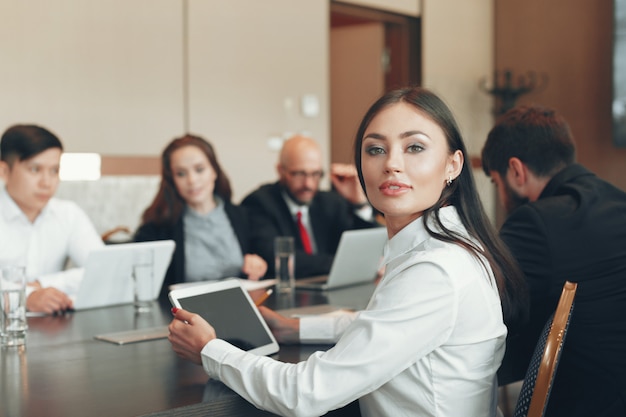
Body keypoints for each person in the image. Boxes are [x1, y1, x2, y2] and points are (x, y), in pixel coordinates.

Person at [167, 87, 527, 417]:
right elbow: (384, 325)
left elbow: (305, 393)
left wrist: (209, 351)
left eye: (414, 147)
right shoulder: (448, 243)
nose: (392, 163)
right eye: (375, 149)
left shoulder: (435, 270)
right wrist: (293, 328)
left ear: (453, 165)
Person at [482, 105, 626, 416]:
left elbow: (484, 309)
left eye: (496, 182)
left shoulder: (534, 223)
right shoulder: (619, 201)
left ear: (516, 171)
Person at [134, 134, 267, 299]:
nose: (192, 180)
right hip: (185, 317)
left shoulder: (245, 216)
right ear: (172, 180)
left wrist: (257, 265)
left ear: (214, 171)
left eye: (199, 169)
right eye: (181, 174)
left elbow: (269, 263)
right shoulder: (158, 229)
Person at [241, 134, 380, 279]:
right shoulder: (259, 203)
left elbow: (366, 250)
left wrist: (359, 204)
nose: (308, 184)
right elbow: (280, 259)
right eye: (299, 174)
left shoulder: (330, 202)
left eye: (315, 174)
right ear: (280, 170)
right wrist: (347, 264)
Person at [0, 124, 104, 314]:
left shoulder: (68, 214)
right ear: (4, 171)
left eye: (54, 171)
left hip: (54, 330)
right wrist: (27, 296)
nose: (47, 183)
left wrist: (41, 284)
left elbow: (103, 270)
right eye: (34, 170)